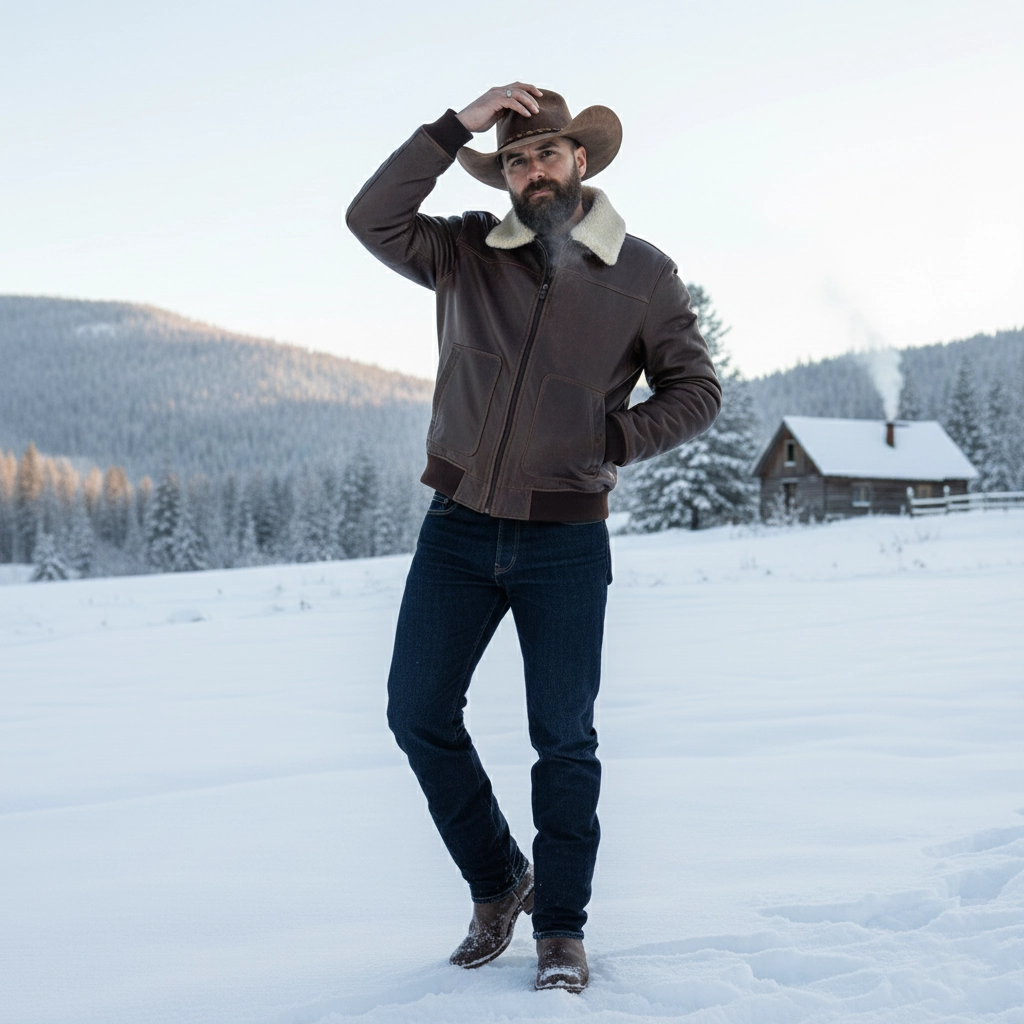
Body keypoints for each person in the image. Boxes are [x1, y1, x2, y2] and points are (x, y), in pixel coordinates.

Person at [346, 83, 721, 993]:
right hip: (459, 530)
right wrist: (454, 127)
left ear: (580, 161)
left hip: (565, 539)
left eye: (546, 153)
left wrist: (614, 438)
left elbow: (695, 389)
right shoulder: (466, 250)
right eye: (515, 158)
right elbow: (370, 216)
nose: (531, 170)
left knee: (564, 739)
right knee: (416, 712)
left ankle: (560, 929)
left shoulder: (643, 272)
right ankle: (498, 879)